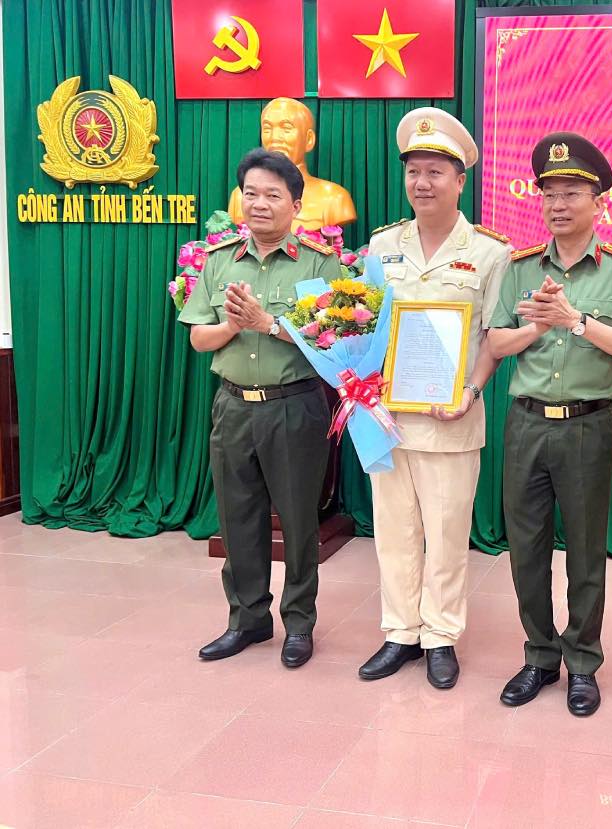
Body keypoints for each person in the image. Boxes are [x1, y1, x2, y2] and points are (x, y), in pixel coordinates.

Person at [487, 132, 612, 716]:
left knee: (584, 551)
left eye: (571, 191)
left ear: (599, 199)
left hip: (587, 425)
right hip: (526, 423)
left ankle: (582, 662)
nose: (557, 203)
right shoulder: (521, 265)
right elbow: (496, 341)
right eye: (548, 192)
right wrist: (539, 325)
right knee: (525, 547)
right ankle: (538, 656)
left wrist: (575, 321)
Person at [358, 107, 511, 689]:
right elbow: (362, 327)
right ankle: (399, 631)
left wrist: (472, 390)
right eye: (413, 171)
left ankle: (441, 635)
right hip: (388, 416)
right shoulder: (380, 247)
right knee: (394, 530)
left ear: (460, 180)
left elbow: (494, 336)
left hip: (452, 417)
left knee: (447, 532)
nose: (422, 183)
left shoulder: (492, 252)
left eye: (435, 172)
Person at [181, 148, 338, 668]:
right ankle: (247, 620)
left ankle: (299, 623)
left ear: (296, 203)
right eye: (251, 194)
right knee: (238, 519)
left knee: (297, 521)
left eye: (273, 195)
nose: (260, 204)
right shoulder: (219, 259)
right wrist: (232, 325)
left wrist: (265, 322)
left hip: (293, 407)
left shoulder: (320, 263)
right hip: (232, 408)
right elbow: (200, 339)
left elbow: (332, 341)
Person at [228, 97, 356, 231]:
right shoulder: (240, 195)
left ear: (309, 140)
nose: (275, 138)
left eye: (286, 128)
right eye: (267, 129)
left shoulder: (334, 198)